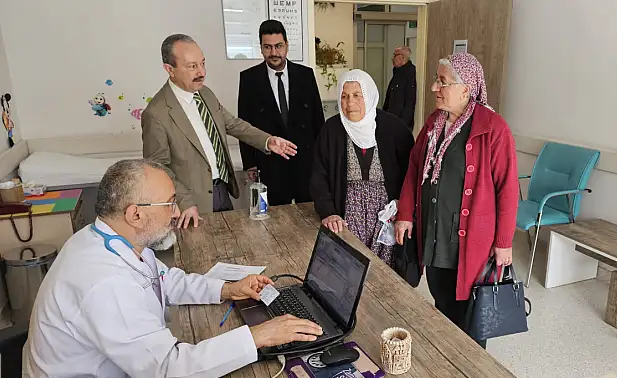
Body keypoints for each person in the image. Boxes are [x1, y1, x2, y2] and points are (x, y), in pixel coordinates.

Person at [25, 159, 322, 378]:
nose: (176, 213)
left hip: (118, 375)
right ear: (135, 214)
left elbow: (165, 280)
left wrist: (229, 289)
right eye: (169, 203)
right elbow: (167, 370)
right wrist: (257, 336)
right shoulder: (105, 283)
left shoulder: (107, 238)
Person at [394, 53, 518, 349]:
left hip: (471, 239)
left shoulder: (493, 127)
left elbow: (508, 188)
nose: (435, 87)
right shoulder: (435, 122)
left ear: (466, 88)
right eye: (437, 80)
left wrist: (503, 242)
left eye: (442, 82)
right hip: (435, 236)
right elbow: (415, 168)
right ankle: (448, 359)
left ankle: (472, 373)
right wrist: (406, 213)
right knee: (443, 301)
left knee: (472, 314)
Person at [142, 34, 297, 228]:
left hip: (223, 189)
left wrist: (267, 141)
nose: (201, 72)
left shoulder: (205, 93)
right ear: (169, 70)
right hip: (192, 203)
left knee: (229, 247)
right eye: (192, 66)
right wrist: (184, 201)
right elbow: (157, 168)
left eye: (203, 63)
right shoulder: (156, 113)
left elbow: (233, 124)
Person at [311, 70, 414, 267]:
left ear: (369, 95)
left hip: (386, 215)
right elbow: (318, 176)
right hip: (347, 214)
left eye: (357, 95)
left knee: (386, 273)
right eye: (344, 96)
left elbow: (412, 173)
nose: (350, 103)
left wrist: (405, 205)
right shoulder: (331, 130)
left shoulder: (394, 128)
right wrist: (328, 211)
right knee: (348, 269)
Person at [239, 20, 325, 206]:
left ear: (286, 45)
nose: (274, 53)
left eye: (278, 46)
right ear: (261, 48)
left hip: (305, 160)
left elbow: (318, 119)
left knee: (309, 214)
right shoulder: (249, 79)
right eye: (267, 47)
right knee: (277, 218)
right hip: (270, 162)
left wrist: (321, 160)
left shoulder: (306, 75)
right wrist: (250, 163)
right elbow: (243, 124)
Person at [383, 46, 417, 130]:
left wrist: (402, 124)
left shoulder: (409, 74)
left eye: (395, 55)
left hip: (400, 124)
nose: (392, 58)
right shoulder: (397, 73)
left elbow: (410, 102)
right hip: (391, 120)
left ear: (402, 57)